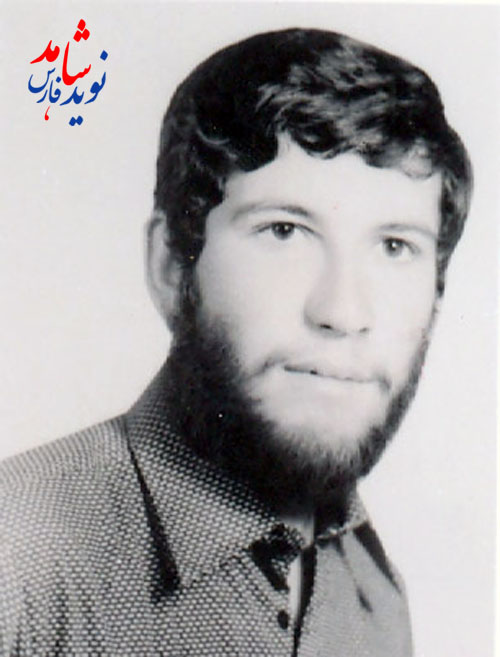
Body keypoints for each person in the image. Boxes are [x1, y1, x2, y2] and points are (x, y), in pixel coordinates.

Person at [0, 27, 472, 656]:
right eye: (284, 231)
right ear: (173, 267)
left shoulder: (372, 593)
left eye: (394, 246)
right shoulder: (17, 555)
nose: (343, 312)